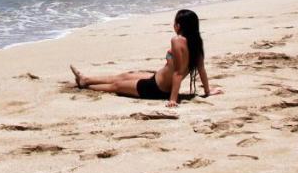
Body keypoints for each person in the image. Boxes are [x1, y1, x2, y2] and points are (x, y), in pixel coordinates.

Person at [70, 9, 218, 107]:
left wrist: (172, 99)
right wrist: (207, 91)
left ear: (179, 25)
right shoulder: (196, 43)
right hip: (155, 79)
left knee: (117, 87)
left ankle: (86, 85)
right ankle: (86, 79)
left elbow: (178, 73)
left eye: (175, 22)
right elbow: (201, 70)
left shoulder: (177, 40)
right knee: (123, 76)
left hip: (156, 89)